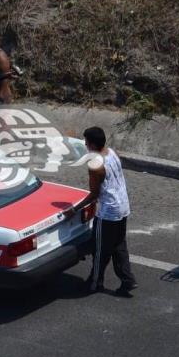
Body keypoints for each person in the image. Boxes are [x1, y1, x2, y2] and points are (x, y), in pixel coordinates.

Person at [65, 126, 137, 297]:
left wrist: (74, 209)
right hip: (123, 207)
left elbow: (94, 194)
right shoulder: (112, 153)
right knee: (119, 245)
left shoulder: (95, 165)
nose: (84, 144)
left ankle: (94, 282)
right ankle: (127, 279)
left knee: (99, 249)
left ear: (90, 144)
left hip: (108, 213)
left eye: (86, 141)